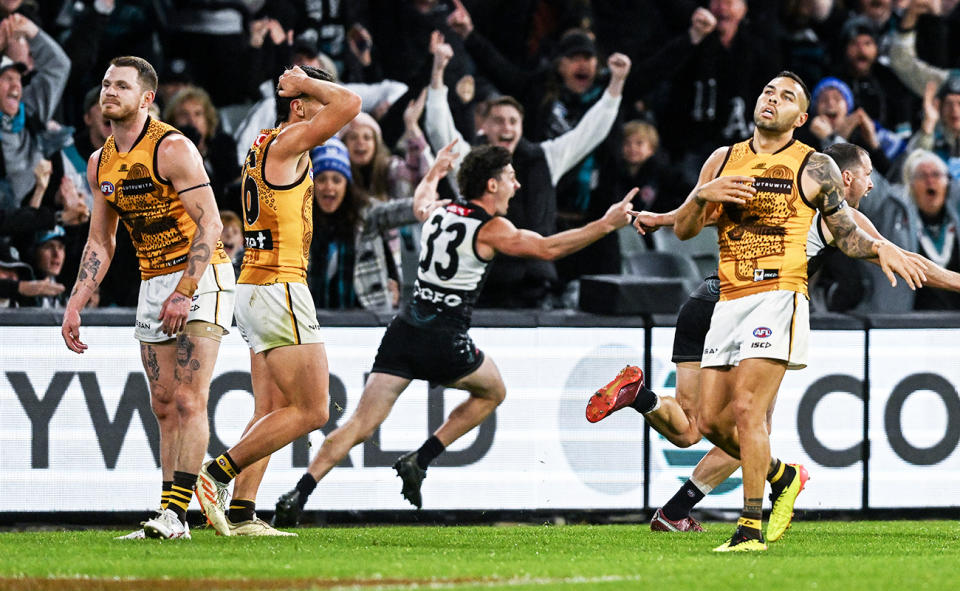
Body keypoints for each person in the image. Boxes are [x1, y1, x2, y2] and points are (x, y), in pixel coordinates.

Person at [605, 73, 923, 552]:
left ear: (802, 119)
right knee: (709, 425)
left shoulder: (815, 167)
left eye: (787, 96)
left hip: (779, 294)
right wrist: (700, 198)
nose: (773, 99)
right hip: (726, 298)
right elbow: (689, 230)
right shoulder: (722, 159)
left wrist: (880, 250)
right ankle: (783, 476)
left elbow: (847, 233)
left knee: (749, 411)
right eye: (768, 92)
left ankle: (749, 529)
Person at [271, 143, 636, 526]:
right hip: (445, 338)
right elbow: (548, 248)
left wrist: (433, 173)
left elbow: (420, 202)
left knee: (359, 424)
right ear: (492, 185)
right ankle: (421, 458)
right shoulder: (492, 228)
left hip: (403, 331)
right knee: (494, 391)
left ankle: (299, 493)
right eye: (511, 178)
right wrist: (607, 224)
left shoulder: (442, 211)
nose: (518, 185)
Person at [60, 56, 235, 541]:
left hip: (202, 276)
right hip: (153, 279)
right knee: (162, 403)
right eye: (105, 84)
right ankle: (168, 515)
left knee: (188, 397)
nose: (109, 91)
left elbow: (212, 223)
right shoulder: (101, 162)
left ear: (147, 98)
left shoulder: (172, 148)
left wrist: (185, 291)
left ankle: (177, 516)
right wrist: (75, 302)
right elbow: (101, 241)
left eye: (121, 85)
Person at [192, 65, 361, 537]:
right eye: (315, 103)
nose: (330, 119)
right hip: (279, 285)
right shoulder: (288, 142)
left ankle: (243, 513)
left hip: (254, 283)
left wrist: (307, 87)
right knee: (314, 409)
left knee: (270, 408)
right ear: (300, 104)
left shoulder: (265, 144)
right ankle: (216, 475)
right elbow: (351, 103)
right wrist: (306, 83)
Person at [424, 31, 631, 308]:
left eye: (513, 121)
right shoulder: (469, 162)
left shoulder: (543, 158)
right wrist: (437, 72)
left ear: (522, 127)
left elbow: (590, 132)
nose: (506, 127)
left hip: (534, 289)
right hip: (480, 290)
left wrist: (616, 85)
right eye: (498, 120)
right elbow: (439, 128)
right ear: (483, 127)